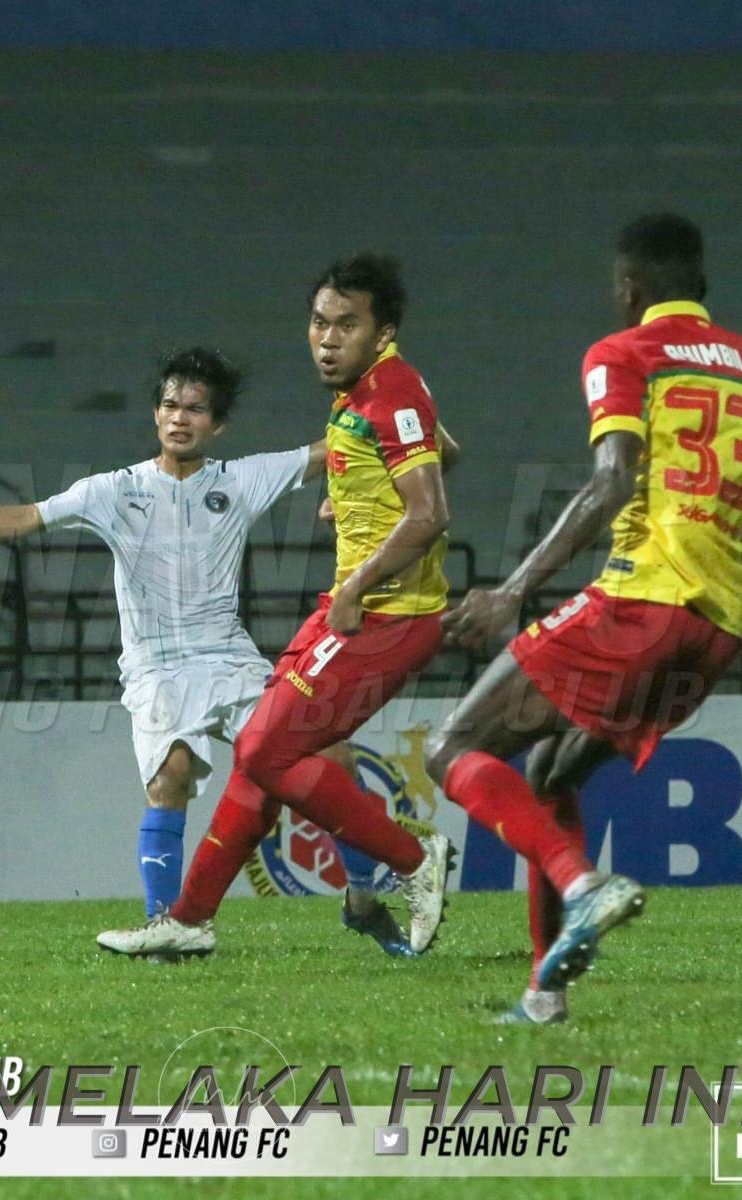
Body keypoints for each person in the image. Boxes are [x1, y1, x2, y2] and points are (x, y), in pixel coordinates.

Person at [426, 213, 742, 1024]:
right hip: (718, 630)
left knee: (451, 747)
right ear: (700, 287)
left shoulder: (625, 353)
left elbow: (611, 483)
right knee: (552, 774)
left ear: (628, 291)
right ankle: (544, 995)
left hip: (643, 602)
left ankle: (583, 884)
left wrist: (513, 588)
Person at [0, 347, 422, 954]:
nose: (179, 417)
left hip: (228, 657)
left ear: (216, 425)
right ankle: (168, 927)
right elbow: (28, 518)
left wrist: (367, 471)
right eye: (169, 405)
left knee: (334, 759)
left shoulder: (241, 480)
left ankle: (362, 902)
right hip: (157, 667)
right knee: (171, 776)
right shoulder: (114, 490)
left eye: (195, 408)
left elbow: (346, 450)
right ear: (155, 414)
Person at [99, 253, 457, 959]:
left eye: (346, 326)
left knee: (265, 747)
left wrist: (357, 584)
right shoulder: (366, 393)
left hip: (387, 616)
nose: (326, 339)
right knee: (268, 752)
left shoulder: (391, 394)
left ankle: (414, 860)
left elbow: (429, 513)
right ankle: (189, 918)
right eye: (319, 322)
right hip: (353, 607)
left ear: (383, 333)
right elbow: (445, 452)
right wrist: (356, 492)